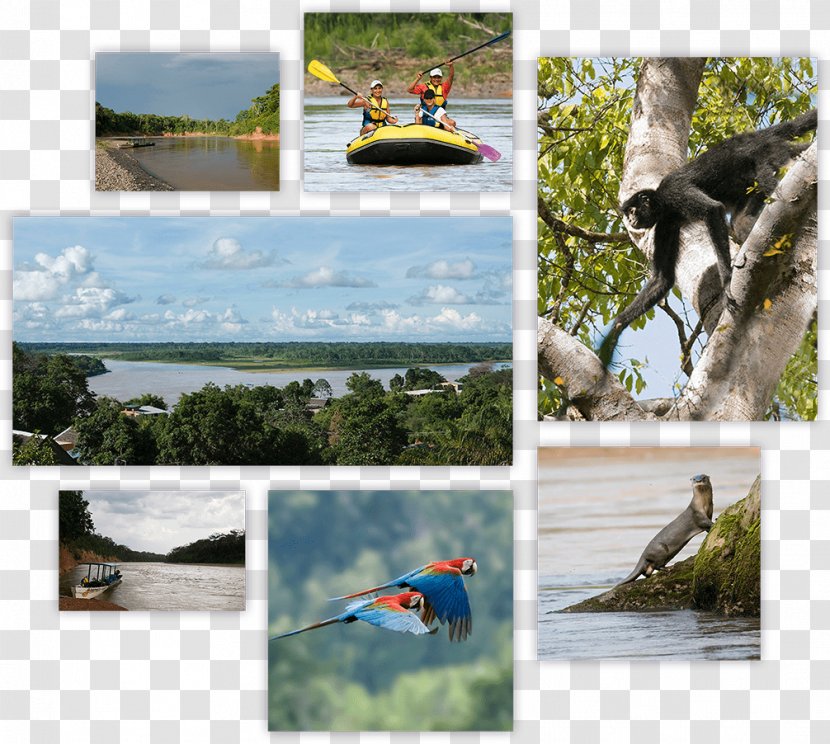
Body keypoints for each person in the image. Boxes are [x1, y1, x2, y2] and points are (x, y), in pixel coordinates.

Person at [408, 63, 457, 127]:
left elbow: (451, 77)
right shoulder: (423, 86)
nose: (436, 79)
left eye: (438, 77)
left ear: (441, 78)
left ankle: (441, 128)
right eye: (434, 77)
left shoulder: (445, 87)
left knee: (452, 123)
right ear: (430, 78)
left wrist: (451, 66)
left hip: (439, 115)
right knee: (418, 119)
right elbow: (410, 90)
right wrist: (418, 79)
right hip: (425, 114)